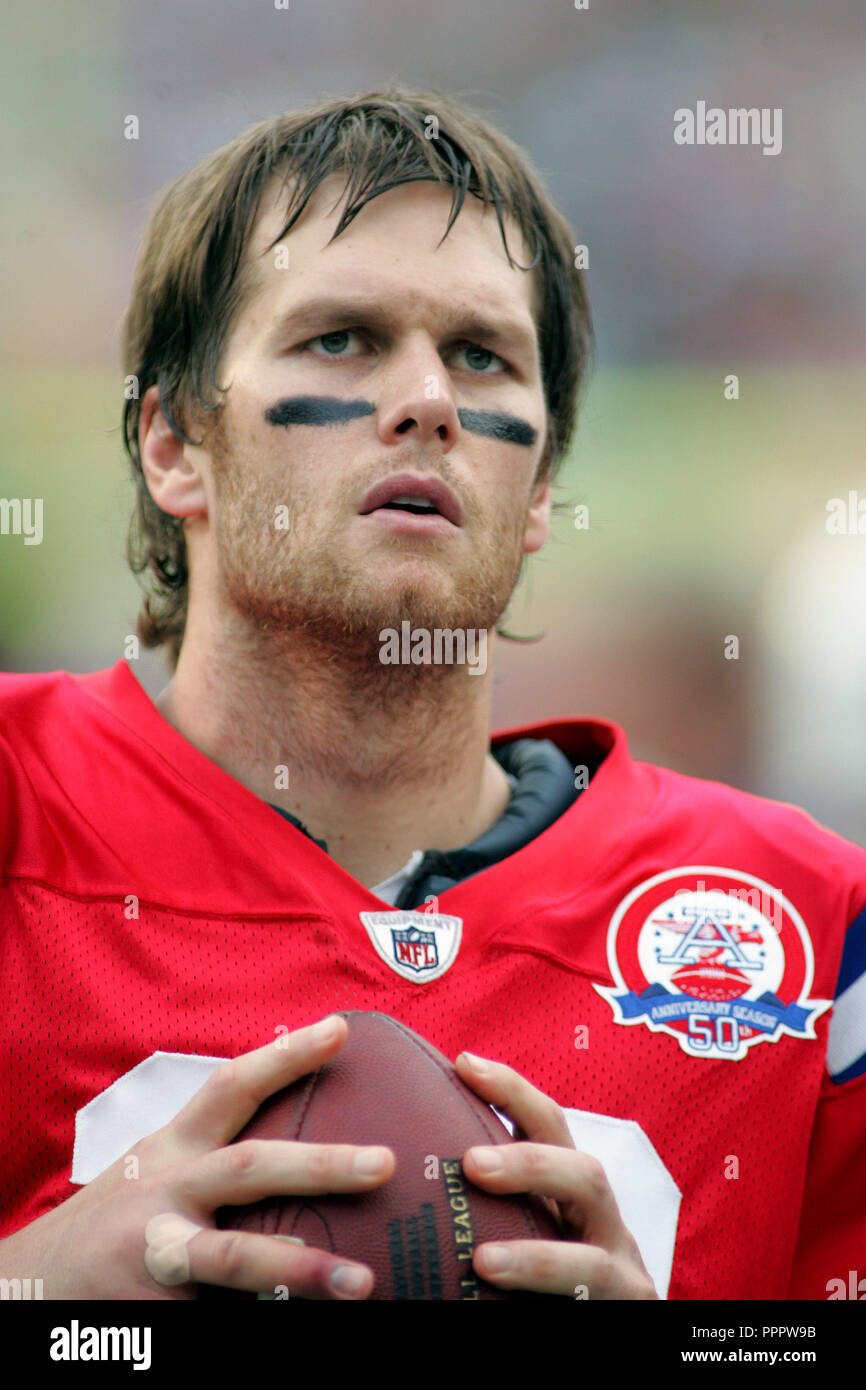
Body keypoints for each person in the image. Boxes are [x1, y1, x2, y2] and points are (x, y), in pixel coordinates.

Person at [0, 87, 863, 1303]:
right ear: (173, 446)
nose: (429, 402)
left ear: (541, 489)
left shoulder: (806, 927)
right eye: (340, 337)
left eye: (481, 354)